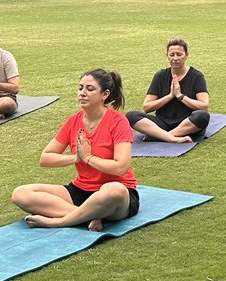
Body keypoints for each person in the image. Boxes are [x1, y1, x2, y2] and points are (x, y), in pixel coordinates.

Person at [11, 69, 139, 231]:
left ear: (105, 94)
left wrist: (88, 158)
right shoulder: (74, 121)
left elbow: (121, 168)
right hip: (81, 190)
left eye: (90, 89)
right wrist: (76, 158)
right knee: (21, 193)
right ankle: (89, 216)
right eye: (80, 88)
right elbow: (45, 158)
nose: (82, 93)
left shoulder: (118, 121)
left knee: (114, 190)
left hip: (115, 194)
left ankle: (58, 222)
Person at [125, 37, 211, 143]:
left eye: (179, 54)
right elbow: (147, 107)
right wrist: (170, 96)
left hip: (187, 124)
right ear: (167, 56)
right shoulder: (160, 76)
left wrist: (180, 96)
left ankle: (162, 136)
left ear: (186, 55)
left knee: (202, 116)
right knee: (131, 115)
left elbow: (204, 106)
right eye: (172, 55)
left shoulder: (197, 76)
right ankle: (170, 137)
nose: (175, 58)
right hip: (162, 124)